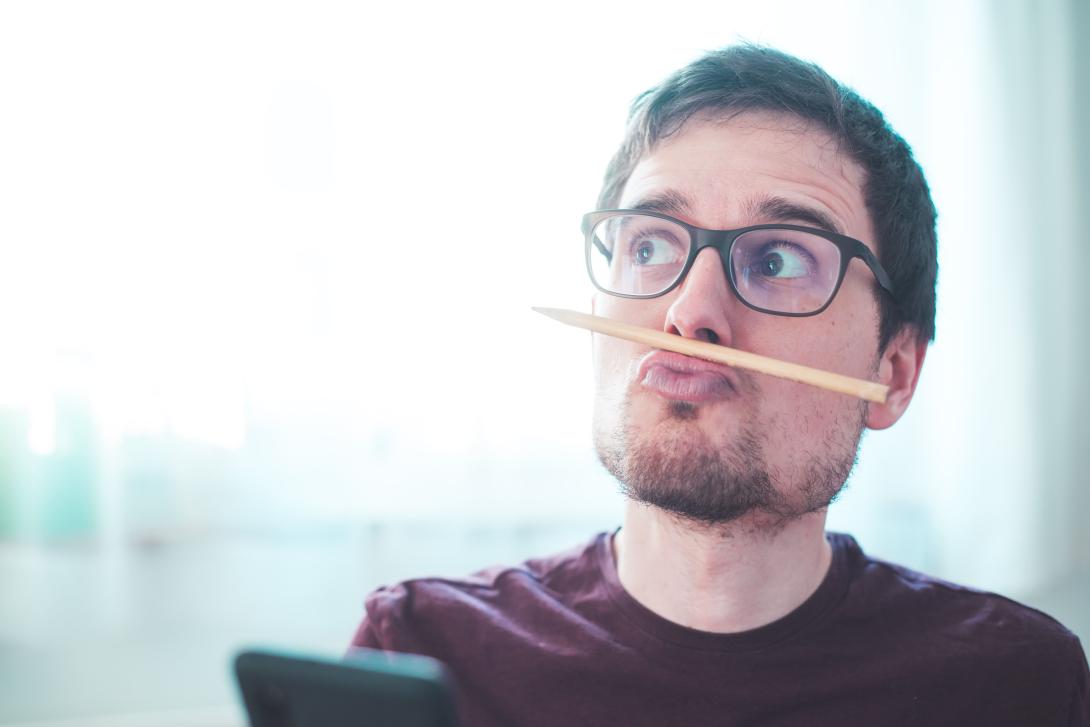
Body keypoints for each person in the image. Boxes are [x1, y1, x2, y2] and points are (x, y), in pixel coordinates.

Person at [350, 45, 1090, 726]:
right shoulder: (420, 654)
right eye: (649, 244)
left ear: (890, 375)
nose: (688, 313)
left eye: (778, 261)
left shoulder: (1013, 684)